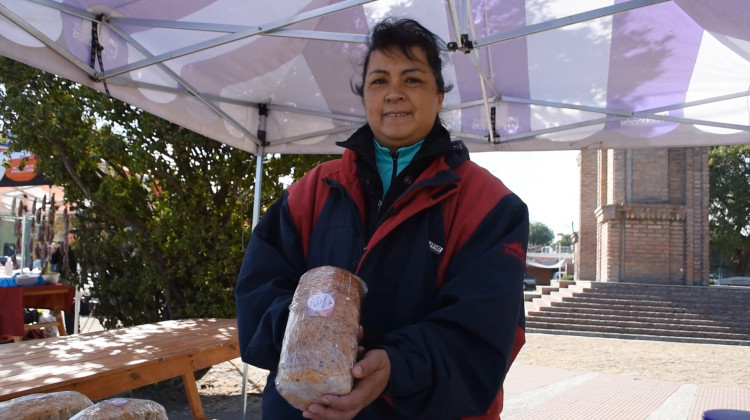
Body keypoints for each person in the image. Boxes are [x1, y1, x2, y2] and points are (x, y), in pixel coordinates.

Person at [235, 17, 529, 420]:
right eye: (379, 81)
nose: (394, 94)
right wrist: (300, 329)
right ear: (363, 97)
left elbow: (485, 334)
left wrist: (396, 367)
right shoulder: (313, 190)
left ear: (440, 96)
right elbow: (257, 287)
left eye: (412, 80)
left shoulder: (492, 207)